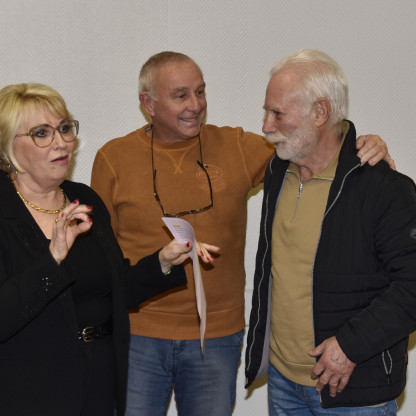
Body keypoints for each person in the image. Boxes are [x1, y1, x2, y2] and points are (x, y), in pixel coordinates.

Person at [91, 51, 392, 416]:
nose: (195, 105)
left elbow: (312, 145)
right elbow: (100, 261)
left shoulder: (237, 146)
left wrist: (364, 145)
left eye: (200, 91)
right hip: (138, 335)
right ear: (148, 104)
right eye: (181, 95)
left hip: (216, 338)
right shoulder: (114, 159)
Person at [0, 83, 216, 416]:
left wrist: (163, 261)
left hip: (100, 381)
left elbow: (116, 289)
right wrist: (53, 258)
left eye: (64, 128)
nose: (61, 142)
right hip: (30, 388)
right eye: (41, 133)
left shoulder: (84, 199)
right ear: (7, 148)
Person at [245, 49, 416, 416]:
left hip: (354, 392)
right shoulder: (278, 170)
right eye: (266, 112)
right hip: (282, 382)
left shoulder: (383, 187)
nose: (266, 126)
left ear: (320, 112)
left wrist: (350, 346)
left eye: (277, 113)